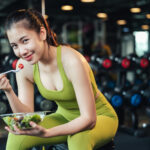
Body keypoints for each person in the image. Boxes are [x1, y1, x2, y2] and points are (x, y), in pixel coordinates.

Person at [0, 9, 118, 150]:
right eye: (15, 46)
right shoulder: (23, 66)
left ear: (42, 33)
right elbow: (26, 116)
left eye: (25, 41)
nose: (22, 51)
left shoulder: (72, 61)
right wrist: (8, 91)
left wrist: (47, 133)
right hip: (63, 116)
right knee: (17, 135)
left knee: (78, 137)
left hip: (100, 117)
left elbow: (89, 119)